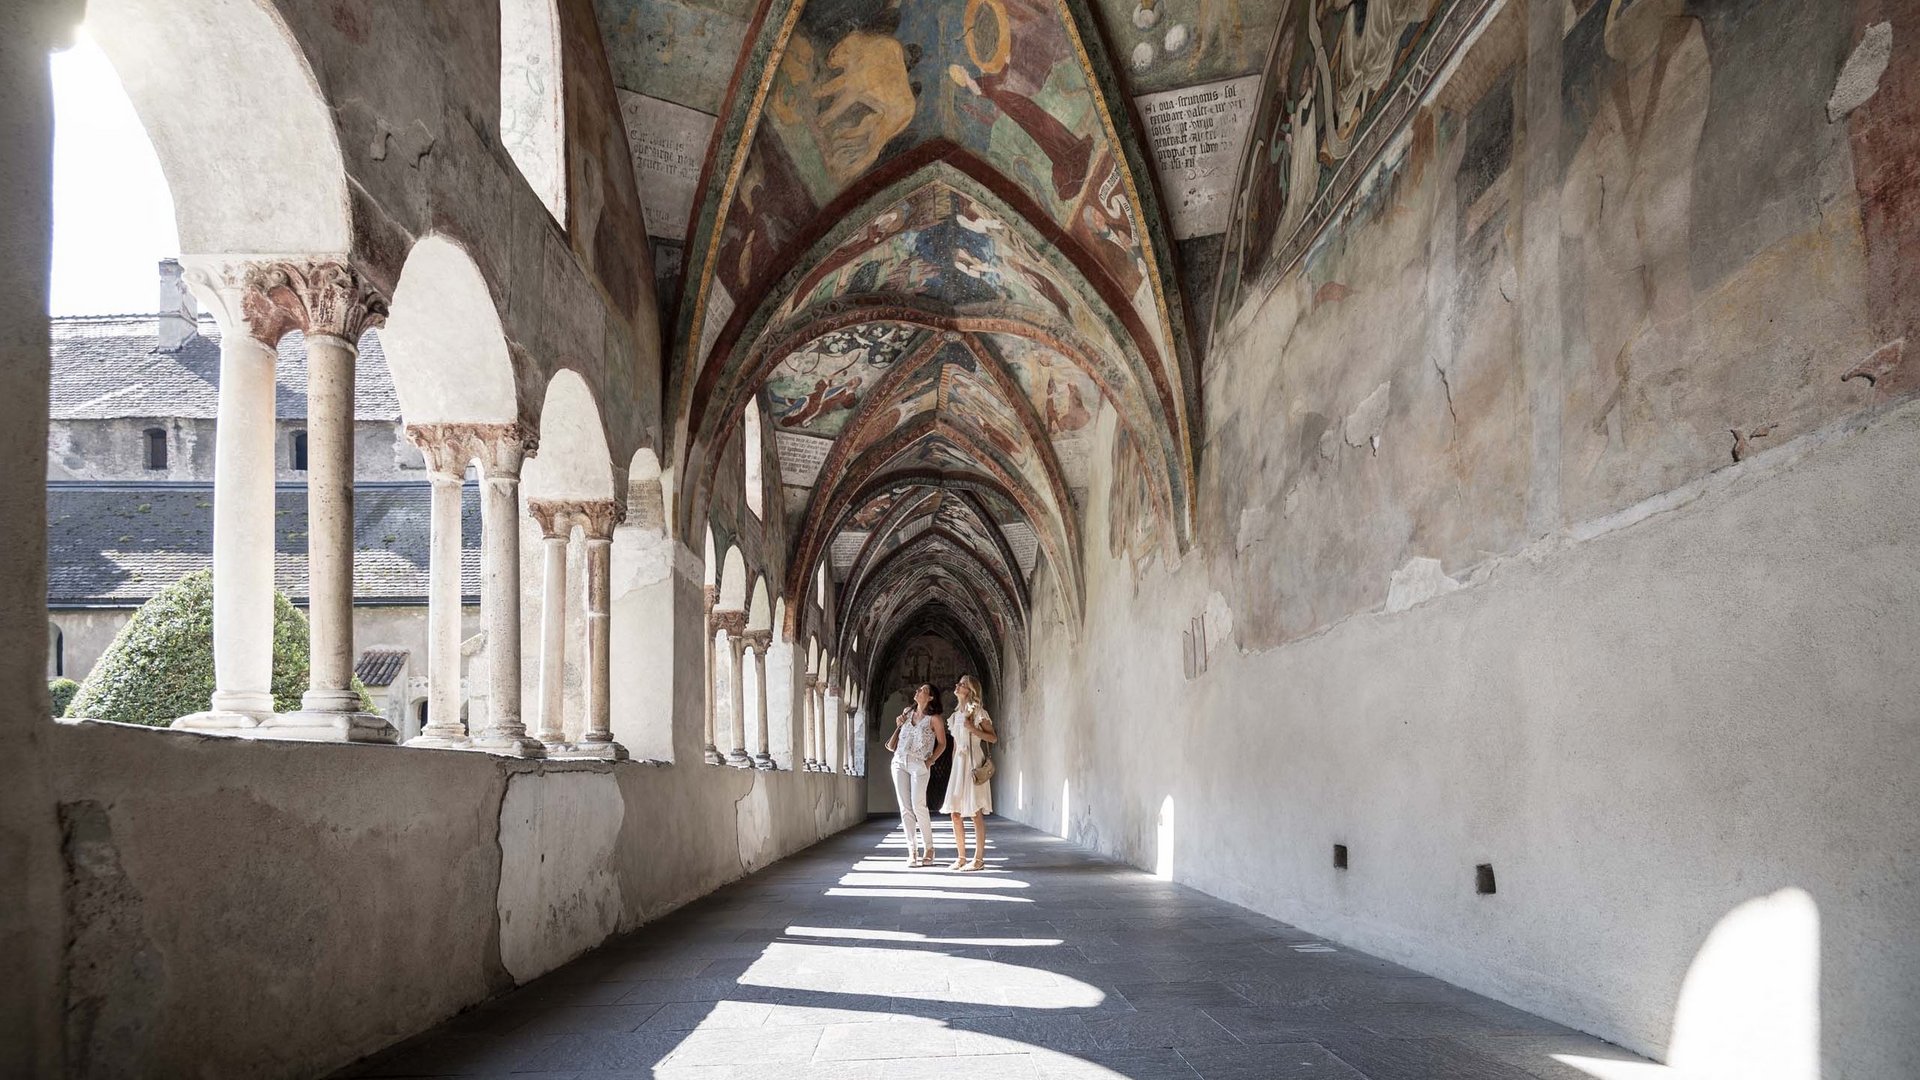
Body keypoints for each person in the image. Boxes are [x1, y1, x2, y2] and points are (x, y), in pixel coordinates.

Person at [885, 684, 947, 867]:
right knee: (905, 808)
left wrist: (930, 761)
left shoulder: (934, 720)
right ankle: (912, 851)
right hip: (899, 761)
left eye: (923, 690)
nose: (918, 691)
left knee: (918, 806)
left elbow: (942, 744)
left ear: (930, 698)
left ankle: (929, 848)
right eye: (918, 689)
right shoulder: (906, 713)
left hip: (918, 764)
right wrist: (899, 723)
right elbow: (900, 737)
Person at [941, 674, 998, 871]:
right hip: (958, 766)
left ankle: (979, 859)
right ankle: (961, 857)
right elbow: (956, 746)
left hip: (974, 763)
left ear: (971, 690)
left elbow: (993, 738)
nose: (957, 685)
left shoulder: (978, 712)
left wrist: (973, 728)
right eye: (958, 683)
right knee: (955, 813)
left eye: (963, 684)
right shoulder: (955, 716)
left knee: (975, 813)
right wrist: (952, 770)